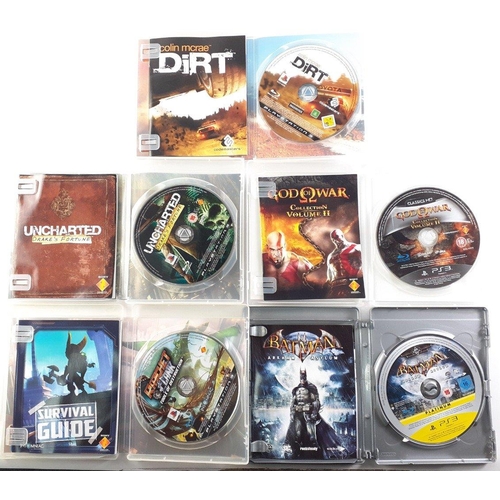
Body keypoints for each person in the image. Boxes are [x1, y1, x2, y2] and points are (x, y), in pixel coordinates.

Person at [284, 367, 343, 459]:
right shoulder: (296, 389)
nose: (302, 378)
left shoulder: (311, 388)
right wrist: (292, 413)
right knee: (297, 436)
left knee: (312, 437)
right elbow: (293, 403)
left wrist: (314, 413)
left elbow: (316, 402)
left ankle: (316, 454)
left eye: (304, 376)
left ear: (306, 376)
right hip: (298, 415)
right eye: (301, 376)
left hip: (308, 415)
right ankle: (298, 453)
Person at [262, 230, 313, 297]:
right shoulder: (260, 262)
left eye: (279, 249)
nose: (276, 254)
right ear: (267, 248)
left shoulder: (299, 264)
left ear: (285, 246)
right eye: (272, 249)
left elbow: (319, 287)